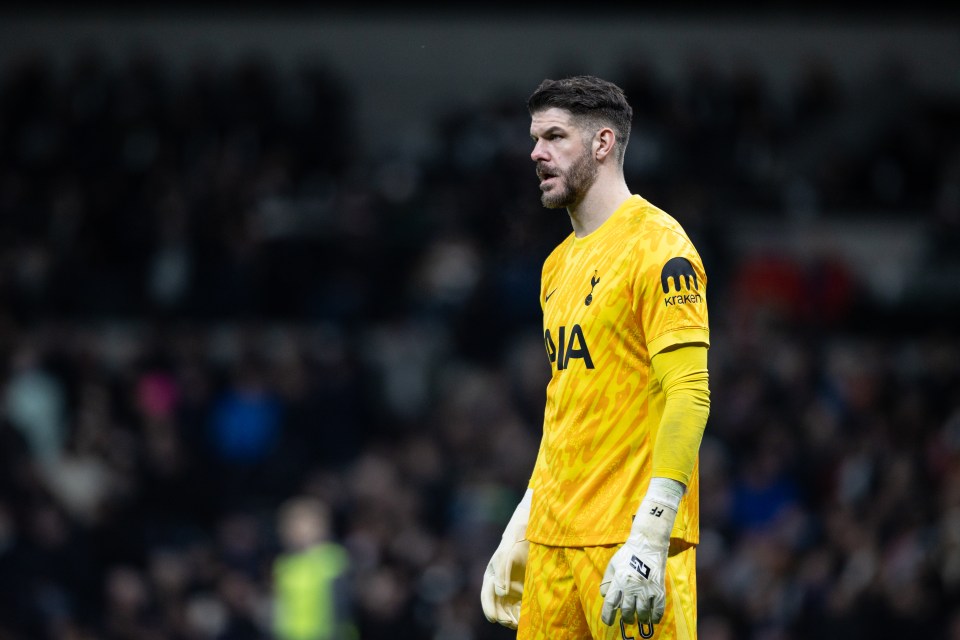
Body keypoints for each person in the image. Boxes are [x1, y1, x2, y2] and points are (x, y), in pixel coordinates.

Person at [481, 75, 711, 640]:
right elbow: (567, 406)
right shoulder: (556, 266)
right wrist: (523, 523)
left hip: (627, 543)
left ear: (603, 143)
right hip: (554, 542)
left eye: (555, 136)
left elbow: (689, 393)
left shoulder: (661, 247)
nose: (537, 152)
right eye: (536, 139)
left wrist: (653, 536)